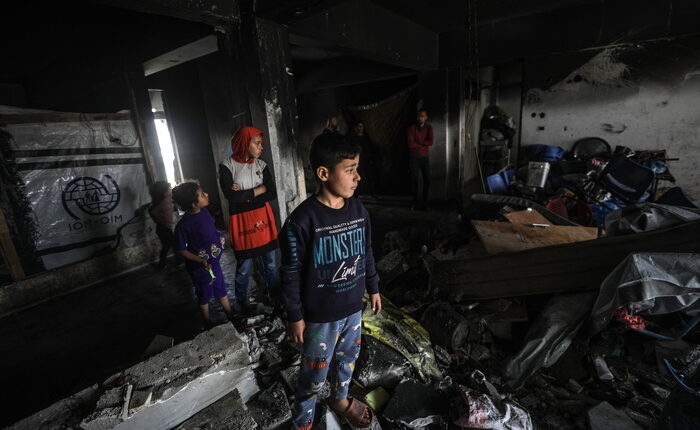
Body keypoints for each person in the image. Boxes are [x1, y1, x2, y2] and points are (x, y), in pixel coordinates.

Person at [280, 132, 382, 430]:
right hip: (320, 320)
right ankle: (303, 421)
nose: (358, 177)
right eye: (350, 170)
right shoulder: (302, 221)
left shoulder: (358, 211)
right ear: (324, 173)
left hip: (352, 310)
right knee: (313, 376)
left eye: (356, 169)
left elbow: (366, 252)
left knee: (347, 361)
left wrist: (374, 287)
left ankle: (340, 399)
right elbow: (290, 273)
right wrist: (295, 316)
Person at [219, 126, 280, 311]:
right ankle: (241, 302)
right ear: (245, 143)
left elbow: (272, 193)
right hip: (241, 220)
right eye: (257, 143)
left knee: (271, 262)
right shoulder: (227, 166)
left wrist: (245, 194)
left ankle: (275, 297)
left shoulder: (262, 165)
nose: (261, 147)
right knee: (244, 265)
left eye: (261, 144)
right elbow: (231, 196)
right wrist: (259, 189)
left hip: (263, 217)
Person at [172, 181, 232, 328]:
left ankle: (230, 314)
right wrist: (199, 260)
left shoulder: (205, 213)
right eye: (202, 194)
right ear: (194, 204)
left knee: (220, 287)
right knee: (204, 292)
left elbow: (211, 230)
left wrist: (220, 237)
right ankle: (207, 321)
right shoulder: (183, 225)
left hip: (214, 262)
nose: (206, 194)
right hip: (200, 268)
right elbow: (181, 249)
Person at [407, 109, 433, 210]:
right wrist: (423, 143)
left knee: (427, 180)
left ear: (426, 118)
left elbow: (430, 142)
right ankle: (415, 203)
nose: (420, 118)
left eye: (422, 116)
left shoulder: (429, 128)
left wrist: (418, 141)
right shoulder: (412, 128)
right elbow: (410, 144)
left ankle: (424, 203)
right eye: (418, 116)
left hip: (425, 158)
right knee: (414, 181)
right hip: (414, 158)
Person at [148, 181, 176, 270]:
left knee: (167, 247)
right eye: (168, 189)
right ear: (163, 192)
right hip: (164, 229)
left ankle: (162, 265)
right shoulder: (163, 203)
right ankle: (176, 262)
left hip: (162, 228)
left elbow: (152, 212)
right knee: (173, 246)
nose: (170, 190)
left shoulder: (159, 202)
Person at [348, 121, 380, 195]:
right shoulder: (354, 138)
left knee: (368, 176)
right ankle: (361, 192)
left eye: (361, 126)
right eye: (359, 126)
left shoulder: (366, 138)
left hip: (367, 160)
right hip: (359, 161)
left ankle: (369, 192)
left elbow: (369, 149)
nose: (360, 128)